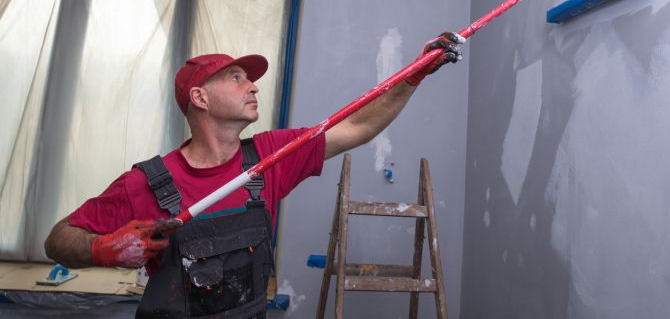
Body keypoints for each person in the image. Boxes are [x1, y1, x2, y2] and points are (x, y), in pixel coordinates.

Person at [44, 32, 465, 318]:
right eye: (237, 78)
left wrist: (414, 74)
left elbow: (358, 127)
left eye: (250, 80)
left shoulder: (269, 157)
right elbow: (58, 239)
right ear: (200, 97)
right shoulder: (147, 183)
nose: (253, 86)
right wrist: (103, 249)